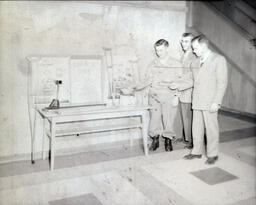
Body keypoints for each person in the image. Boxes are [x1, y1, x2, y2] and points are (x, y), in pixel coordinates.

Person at [183, 34, 228, 164]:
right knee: (196, 127)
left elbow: (222, 83)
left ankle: (212, 154)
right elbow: (192, 81)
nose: (193, 50)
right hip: (197, 100)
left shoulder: (218, 59)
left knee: (211, 128)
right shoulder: (195, 62)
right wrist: (178, 86)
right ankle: (196, 151)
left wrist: (217, 101)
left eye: (195, 47)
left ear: (203, 46)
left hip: (210, 101)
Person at [135, 39, 183, 152]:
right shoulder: (152, 64)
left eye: (161, 50)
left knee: (168, 119)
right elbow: (147, 80)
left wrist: (177, 96)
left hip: (169, 95)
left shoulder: (176, 64)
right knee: (154, 119)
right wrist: (135, 87)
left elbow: (180, 81)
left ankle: (168, 140)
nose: (158, 52)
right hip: (154, 96)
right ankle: (155, 139)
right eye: (157, 50)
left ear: (167, 48)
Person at [169, 33, 196, 149]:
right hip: (182, 91)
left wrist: (179, 86)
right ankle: (185, 136)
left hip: (189, 92)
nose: (183, 43)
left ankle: (192, 141)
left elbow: (192, 78)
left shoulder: (194, 57)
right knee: (182, 116)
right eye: (182, 41)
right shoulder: (184, 55)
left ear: (192, 43)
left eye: (186, 41)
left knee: (189, 117)